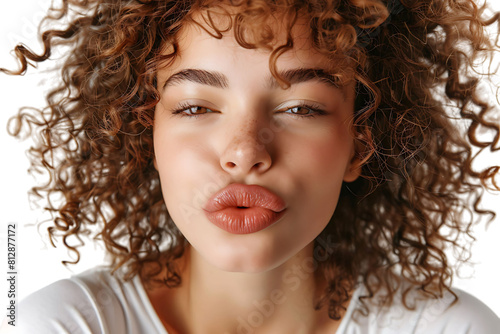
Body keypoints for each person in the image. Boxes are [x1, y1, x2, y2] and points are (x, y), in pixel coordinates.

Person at [1, 0, 500, 333]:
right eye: (195, 107)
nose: (244, 151)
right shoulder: (63, 324)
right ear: (144, 134)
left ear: (360, 144)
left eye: (301, 107)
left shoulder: (447, 328)